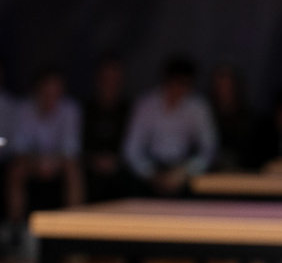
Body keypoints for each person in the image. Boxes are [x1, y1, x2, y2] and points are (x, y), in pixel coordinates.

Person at [5, 66, 84, 236]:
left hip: (59, 163)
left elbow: (71, 149)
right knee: (16, 169)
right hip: (32, 163)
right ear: (37, 90)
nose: (51, 96)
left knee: (72, 168)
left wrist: (52, 163)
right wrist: (38, 163)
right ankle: (16, 231)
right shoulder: (23, 109)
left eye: (55, 91)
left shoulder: (70, 109)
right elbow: (19, 147)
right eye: (46, 91)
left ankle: (75, 228)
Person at [122, 56, 218, 194]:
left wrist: (187, 171)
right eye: (176, 82)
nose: (180, 89)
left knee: (201, 188)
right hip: (152, 169)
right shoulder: (146, 104)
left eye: (185, 84)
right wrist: (150, 174)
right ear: (166, 80)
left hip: (183, 169)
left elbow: (209, 150)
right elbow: (132, 149)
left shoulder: (198, 107)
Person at [82, 53, 132, 200]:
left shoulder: (130, 111)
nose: (109, 84)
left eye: (114, 80)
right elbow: (75, 146)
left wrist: (118, 161)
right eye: (105, 79)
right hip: (89, 169)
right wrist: (92, 160)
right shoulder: (84, 110)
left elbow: (135, 148)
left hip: (121, 169)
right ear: (97, 80)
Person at [208, 64, 251, 170]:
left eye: (228, 87)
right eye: (220, 87)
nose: (223, 91)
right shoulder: (205, 114)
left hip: (242, 171)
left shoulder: (249, 118)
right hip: (210, 170)